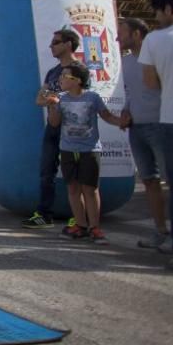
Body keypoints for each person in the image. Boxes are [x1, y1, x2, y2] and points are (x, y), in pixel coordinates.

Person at [43, 60, 123, 244]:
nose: (61, 79)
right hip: (68, 149)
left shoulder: (93, 98)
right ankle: (80, 225)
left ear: (78, 80)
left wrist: (122, 122)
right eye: (61, 76)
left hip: (90, 150)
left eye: (65, 76)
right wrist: (53, 105)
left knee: (90, 189)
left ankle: (95, 227)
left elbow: (107, 116)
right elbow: (54, 123)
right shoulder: (61, 98)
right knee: (72, 189)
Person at [138, 0, 173, 273]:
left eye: (156, 11)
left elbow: (151, 83)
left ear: (167, 9)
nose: (155, 17)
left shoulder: (155, 39)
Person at [117, 17, 169, 251]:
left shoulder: (159, 54)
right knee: (149, 181)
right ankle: (160, 232)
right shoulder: (126, 62)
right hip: (136, 128)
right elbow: (130, 92)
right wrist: (126, 110)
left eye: (122, 32)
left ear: (137, 34)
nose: (118, 37)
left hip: (161, 126)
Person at [23, 27, 82, 229]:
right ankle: (44, 213)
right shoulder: (53, 72)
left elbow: (81, 97)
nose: (51, 46)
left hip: (73, 130)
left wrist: (55, 99)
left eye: (55, 42)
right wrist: (51, 100)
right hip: (53, 126)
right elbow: (40, 98)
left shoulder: (79, 69)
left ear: (68, 44)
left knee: (74, 175)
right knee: (46, 171)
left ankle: (79, 217)